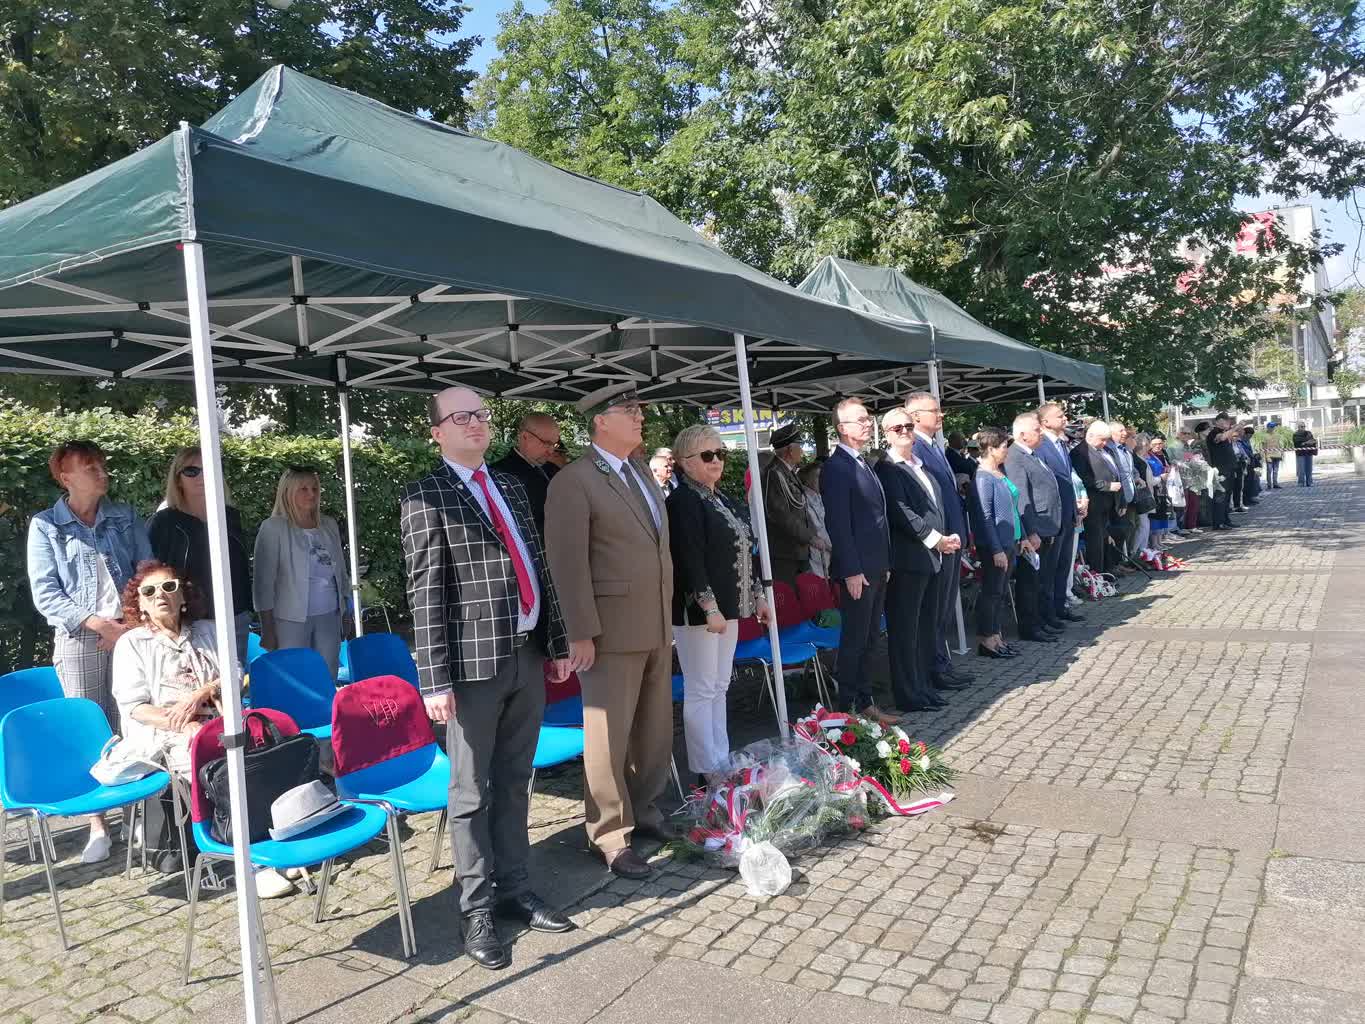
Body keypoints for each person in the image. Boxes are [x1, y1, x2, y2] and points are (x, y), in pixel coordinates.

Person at [401, 387, 575, 970]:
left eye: (481, 413)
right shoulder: (425, 495)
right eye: (461, 417)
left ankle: (514, 888)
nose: (475, 423)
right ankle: (475, 907)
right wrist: (433, 679)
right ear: (438, 433)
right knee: (471, 791)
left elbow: (538, 568)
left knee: (516, 778)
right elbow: (425, 592)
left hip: (527, 654)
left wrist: (555, 643)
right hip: (472, 667)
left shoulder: (511, 487)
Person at [543, 381, 676, 881]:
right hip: (609, 631)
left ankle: (645, 809)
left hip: (654, 622)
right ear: (600, 421)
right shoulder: (574, 480)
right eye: (630, 409)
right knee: (608, 738)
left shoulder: (640, 471)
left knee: (653, 731)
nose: (640, 416)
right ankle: (609, 834)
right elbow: (567, 563)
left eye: (640, 409)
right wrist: (579, 631)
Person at [26, 440, 152, 863]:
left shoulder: (124, 516)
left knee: (133, 721)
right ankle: (97, 823)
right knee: (89, 726)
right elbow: (47, 593)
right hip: (81, 637)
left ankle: (135, 814)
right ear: (65, 477)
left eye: (101, 463)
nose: (101, 470)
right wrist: (100, 625)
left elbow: (146, 570)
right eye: (89, 466)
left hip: (130, 632)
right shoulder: (47, 526)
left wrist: (128, 625)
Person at [666, 425, 769, 784]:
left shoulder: (721, 498)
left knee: (721, 684)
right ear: (685, 462)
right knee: (701, 688)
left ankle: (720, 758)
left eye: (720, 453)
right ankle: (705, 767)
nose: (717, 461)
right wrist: (709, 606)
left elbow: (747, 552)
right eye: (707, 455)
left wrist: (758, 596)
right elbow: (689, 559)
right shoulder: (683, 502)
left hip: (730, 607)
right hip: (699, 612)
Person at [875, 408, 960, 712]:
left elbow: (936, 507)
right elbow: (901, 513)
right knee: (905, 631)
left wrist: (946, 537)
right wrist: (936, 538)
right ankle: (908, 693)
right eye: (897, 428)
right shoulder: (888, 468)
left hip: (932, 557)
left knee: (925, 627)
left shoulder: (921, 464)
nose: (904, 431)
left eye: (908, 426)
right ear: (885, 433)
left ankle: (923, 687)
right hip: (908, 561)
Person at [820, 398, 898, 725]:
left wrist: (885, 562)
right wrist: (851, 569)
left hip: (876, 565)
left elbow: (876, 518)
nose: (867, 424)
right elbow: (838, 523)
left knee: (869, 637)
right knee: (855, 639)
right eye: (860, 420)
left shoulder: (861, 462)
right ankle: (847, 709)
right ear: (842, 428)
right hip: (858, 570)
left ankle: (865, 702)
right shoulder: (837, 467)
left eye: (868, 419)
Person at [147, 447, 253, 665]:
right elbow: (151, 574)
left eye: (209, 469)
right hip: (189, 619)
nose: (202, 476)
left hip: (234, 615)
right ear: (178, 479)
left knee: (234, 678)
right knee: (194, 681)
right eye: (191, 471)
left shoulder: (230, 516)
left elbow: (240, 566)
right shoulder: (164, 522)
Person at [252, 466, 350, 677]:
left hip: (330, 615)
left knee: (327, 676)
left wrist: (345, 611)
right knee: (294, 676)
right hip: (289, 620)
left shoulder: (328, 524)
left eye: (314, 488)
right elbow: (263, 583)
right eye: (303, 489)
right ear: (288, 492)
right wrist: (267, 628)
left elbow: (341, 572)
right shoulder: (273, 527)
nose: (311, 494)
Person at [907, 392, 975, 691]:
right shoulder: (916, 447)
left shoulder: (934, 446)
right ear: (916, 416)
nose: (941, 415)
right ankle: (935, 667)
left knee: (945, 607)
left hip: (951, 537)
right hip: (937, 541)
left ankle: (941, 663)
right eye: (934, 410)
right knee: (935, 610)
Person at [1004, 412, 1065, 641]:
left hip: (1047, 525)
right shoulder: (1015, 457)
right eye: (1037, 430)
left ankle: (1043, 619)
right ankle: (1030, 626)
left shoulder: (1033, 454)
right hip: (1035, 528)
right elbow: (1021, 498)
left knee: (1043, 578)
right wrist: (1030, 532)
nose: (1041, 434)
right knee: (1030, 581)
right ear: (1022, 434)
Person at [971, 429, 1021, 657]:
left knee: (1000, 592)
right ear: (990, 449)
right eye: (1003, 447)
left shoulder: (999, 472)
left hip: (1008, 541)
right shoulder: (983, 477)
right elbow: (985, 516)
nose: (1007, 450)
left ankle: (997, 636)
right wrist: (996, 549)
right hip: (996, 545)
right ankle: (987, 639)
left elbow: (1012, 508)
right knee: (992, 592)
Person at [759, 423, 822, 589]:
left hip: (797, 550)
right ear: (789, 450)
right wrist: (810, 537)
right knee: (789, 598)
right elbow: (781, 514)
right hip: (785, 553)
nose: (802, 451)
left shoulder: (786, 472)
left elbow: (800, 508)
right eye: (799, 446)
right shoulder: (774, 474)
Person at [1037, 404, 1084, 623]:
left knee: (1064, 564)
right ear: (1045, 422)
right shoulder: (1041, 445)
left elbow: (1068, 479)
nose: (1065, 419)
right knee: (1050, 567)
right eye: (1059, 416)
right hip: (1052, 516)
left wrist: (1076, 507)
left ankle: (1060, 605)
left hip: (1068, 514)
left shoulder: (1061, 444)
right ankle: (1048, 612)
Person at [491, 412, 563, 533]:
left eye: (554, 444)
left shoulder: (551, 469)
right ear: (525, 437)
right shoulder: (499, 474)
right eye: (546, 443)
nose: (551, 451)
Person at [1072, 420, 1123, 574]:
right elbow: (1084, 478)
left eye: (1106, 440)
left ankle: (1108, 569)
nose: (1105, 443)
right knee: (1095, 541)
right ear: (1091, 435)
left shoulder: (1105, 450)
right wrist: (1107, 485)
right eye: (1102, 439)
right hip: (1093, 504)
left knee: (1106, 538)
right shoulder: (1080, 452)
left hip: (1108, 503)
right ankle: (1097, 573)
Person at [1204, 414, 1241, 527]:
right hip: (1220, 470)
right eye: (1226, 420)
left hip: (1229, 468)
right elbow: (1221, 438)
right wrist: (1235, 427)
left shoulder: (1225, 432)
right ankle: (1218, 522)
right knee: (1221, 496)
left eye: (1228, 421)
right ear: (1218, 421)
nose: (1228, 423)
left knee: (1227, 495)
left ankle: (1225, 520)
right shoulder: (1214, 432)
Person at [797, 462, 832, 579]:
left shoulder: (819, 496)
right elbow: (816, 528)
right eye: (817, 477)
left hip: (826, 554)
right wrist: (832, 547)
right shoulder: (803, 499)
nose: (822, 481)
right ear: (808, 479)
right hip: (816, 556)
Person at [1293, 422, 1318, 486]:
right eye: (1302, 426)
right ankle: (1301, 483)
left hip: (1309, 453)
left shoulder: (1309, 433)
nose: (1303, 428)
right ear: (1298, 427)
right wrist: (1307, 442)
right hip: (1300, 454)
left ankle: (1309, 482)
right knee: (1301, 469)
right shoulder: (1296, 434)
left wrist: (1305, 442)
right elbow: (1298, 443)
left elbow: (1313, 441)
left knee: (1309, 469)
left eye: (1304, 426)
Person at [1262, 423, 1285, 489]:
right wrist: (1265, 456)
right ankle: (1269, 484)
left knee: (1275, 471)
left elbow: (1280, 445)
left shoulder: (1278, 435)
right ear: (1268, 427)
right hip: (1269, 455)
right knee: (1269, 471)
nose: (1273, 428)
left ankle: (1275, 484)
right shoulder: (1265, 436)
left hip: (1277, 455)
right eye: (1271, 427)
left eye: (1273, 427)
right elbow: (1264, 447)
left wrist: (1282, 453)